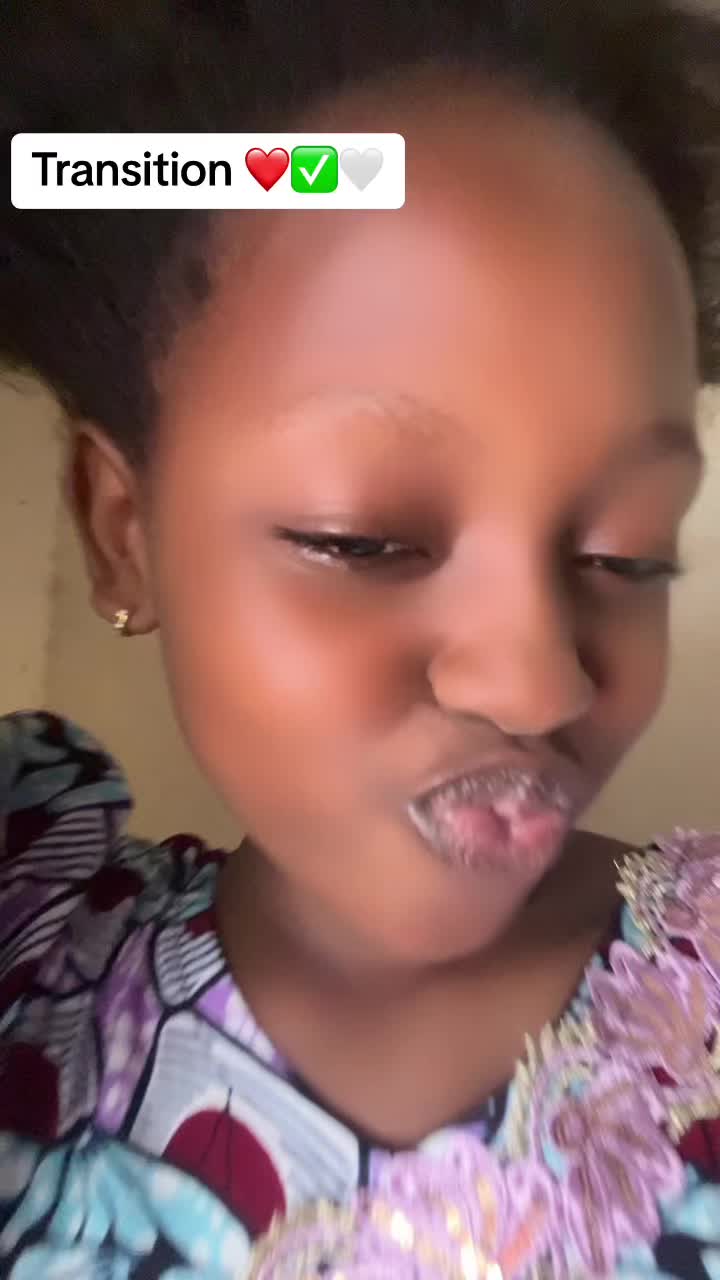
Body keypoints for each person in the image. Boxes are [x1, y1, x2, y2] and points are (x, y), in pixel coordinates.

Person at [1, 0, 720, 1275]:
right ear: (124, 529)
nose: (536, 682)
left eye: (627, 554)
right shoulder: (30, 965)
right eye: (364, 538)